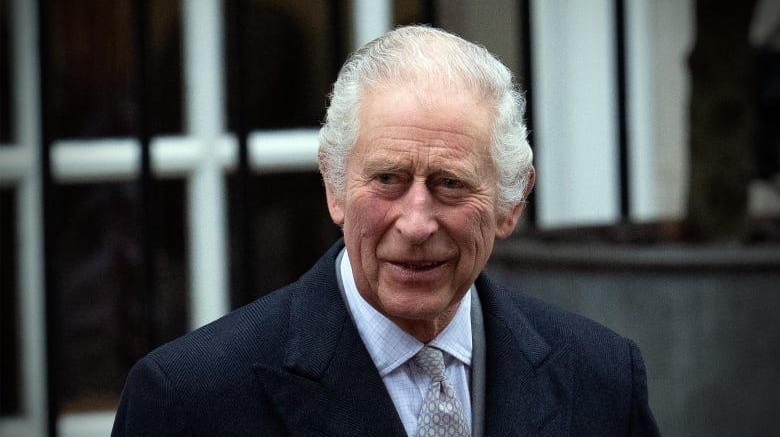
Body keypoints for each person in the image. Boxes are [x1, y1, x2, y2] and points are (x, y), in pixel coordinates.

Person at [112, 25, 660, 436]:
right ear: (334, 188)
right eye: (388, 179)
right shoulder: (190, 399)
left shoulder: (602, 379)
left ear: (510, 203)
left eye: (450, 183)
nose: (416, 223)